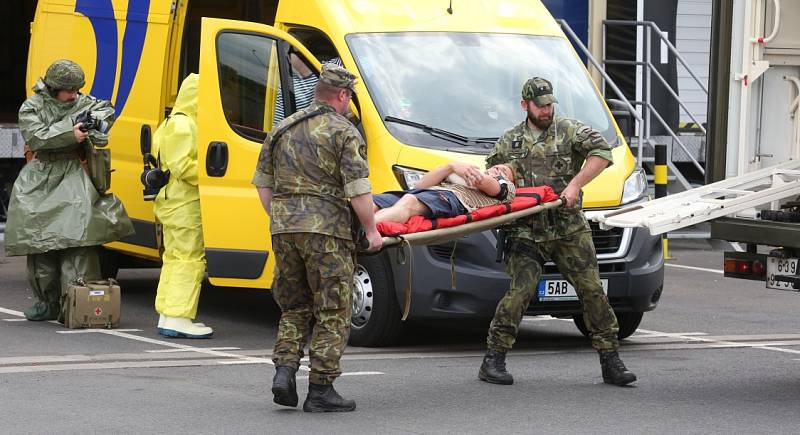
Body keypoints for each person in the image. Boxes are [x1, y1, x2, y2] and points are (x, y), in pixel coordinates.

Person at [479, 77, 637, 386]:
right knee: (521, 289)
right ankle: (494, 358)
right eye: (541, 105)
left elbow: (603, 153)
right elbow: (493, 182)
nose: (547, 110)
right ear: (525, 105)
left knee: (592, 289)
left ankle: (610, 359)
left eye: (551, 104)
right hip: (526, 231)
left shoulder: (569, 130)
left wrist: (575, 185)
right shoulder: (508, 142)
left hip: (568, 228)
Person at [253, 63, 382, 412]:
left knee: (294, 306)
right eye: (350, 97)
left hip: (284, 228)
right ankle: (321, 389)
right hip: (327, 232)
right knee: (333, 308)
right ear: (343, 95)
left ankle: (284, 371)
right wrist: (372, 230)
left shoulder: (282, 127)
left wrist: (283, 218)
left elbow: (263, 184)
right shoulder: (344, 131)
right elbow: (358, 191)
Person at [5, 59, 133, 321]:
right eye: (69, 90)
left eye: (77, 89)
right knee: (40, 244)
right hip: (40, 177)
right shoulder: (32, 107)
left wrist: (95, 124)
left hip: (75, 173)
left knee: (79, 242)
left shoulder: (85, 104)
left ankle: (76, 301)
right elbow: (37, 136)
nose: (74, 95)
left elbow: (103, 123)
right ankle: (46, 302)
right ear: (53, 88)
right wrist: (70, 132)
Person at [151, 74, 213, 339]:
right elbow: (182, 166)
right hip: (184, 201)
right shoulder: (184, 125)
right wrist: (214, 173)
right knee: (190, 259)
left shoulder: (171, 122)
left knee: (174, 258)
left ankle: (169, 314)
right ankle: (179, 317)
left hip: (172, 200)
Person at [373, 162, 516, 224]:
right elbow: (420, 185)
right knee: (375, 201)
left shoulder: (507, 188)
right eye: (497, 167)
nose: (498, 169)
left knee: (409, 202)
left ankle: (366, 229)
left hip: (455, 198)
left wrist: (465, 170)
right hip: (427, 191)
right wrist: (451, 166)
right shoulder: (462, 171)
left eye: (503, 171)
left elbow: (485, 183)